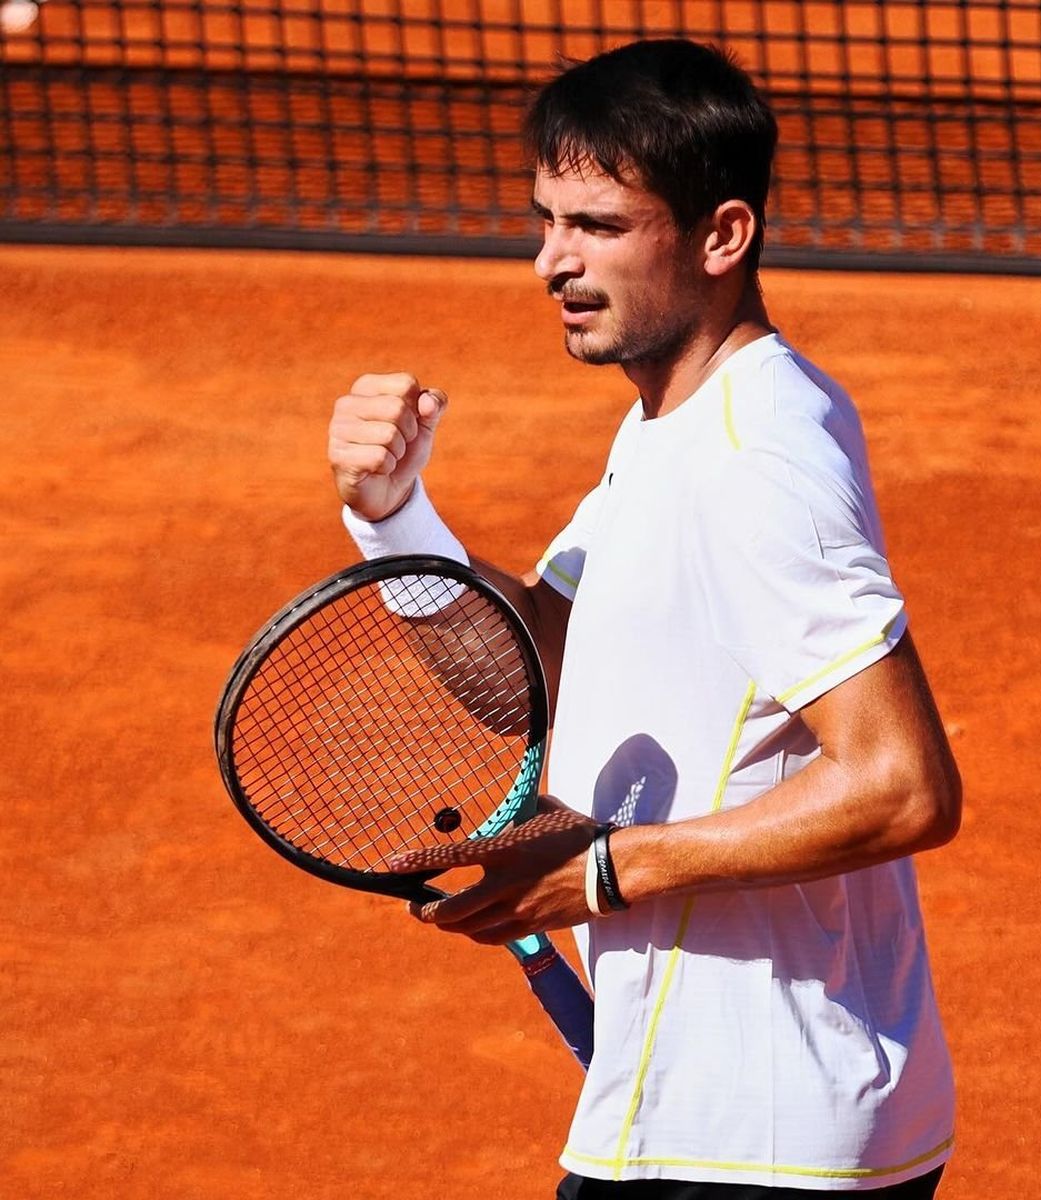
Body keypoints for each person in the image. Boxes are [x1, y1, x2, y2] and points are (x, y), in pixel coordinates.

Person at [326, 39, 961, 1199]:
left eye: (599, 227)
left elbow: (902, 784)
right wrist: (396, 519)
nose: (550, 261)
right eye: (547, 220)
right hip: (711, 1111)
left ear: (723, 236)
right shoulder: (677, 426)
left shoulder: (754, 462)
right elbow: (533, 674)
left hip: (755, 1136)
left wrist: (608, 870)